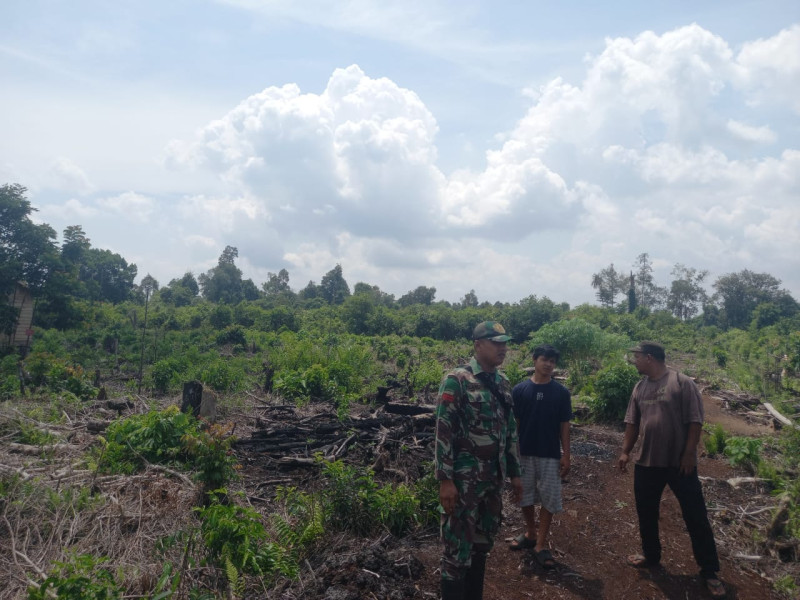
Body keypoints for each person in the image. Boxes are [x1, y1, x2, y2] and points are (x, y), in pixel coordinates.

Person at [617, 341, 726, 599]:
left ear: (650, 358)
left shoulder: (681, 382)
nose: (634, 361)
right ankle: (651, 555)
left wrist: (689, 454)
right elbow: (632, 422)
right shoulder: (639, 387)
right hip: (647, 462)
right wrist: (625, 451)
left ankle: (709, 570)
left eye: (637, 357)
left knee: (696, 516)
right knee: (646, 512)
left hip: (679, 464)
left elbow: (695, 420)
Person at [434, 321, 523, 600]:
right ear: (477, 345)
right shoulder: (457, 379)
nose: (503, 348)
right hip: (463, 484)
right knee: (456, 552)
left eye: (504, 343)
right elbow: (442, 431)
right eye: (496, 342)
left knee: (482, 546)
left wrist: (515, 474)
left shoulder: (503, 382)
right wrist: (445, 480)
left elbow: (509, 431)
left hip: (491, 482)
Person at [509, 344, 572, 569]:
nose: (548, 364)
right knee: (524, 495)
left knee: (548, 498)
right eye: (544, 359)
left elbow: (564, 425)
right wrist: (511, 453)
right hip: (524, 452)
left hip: (550, 454)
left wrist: (567, 454)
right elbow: (513, 425)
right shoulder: (519, 390)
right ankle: (530, 532)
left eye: (552, 361)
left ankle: (541, 544)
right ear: (535, 360)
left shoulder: (561, 393)